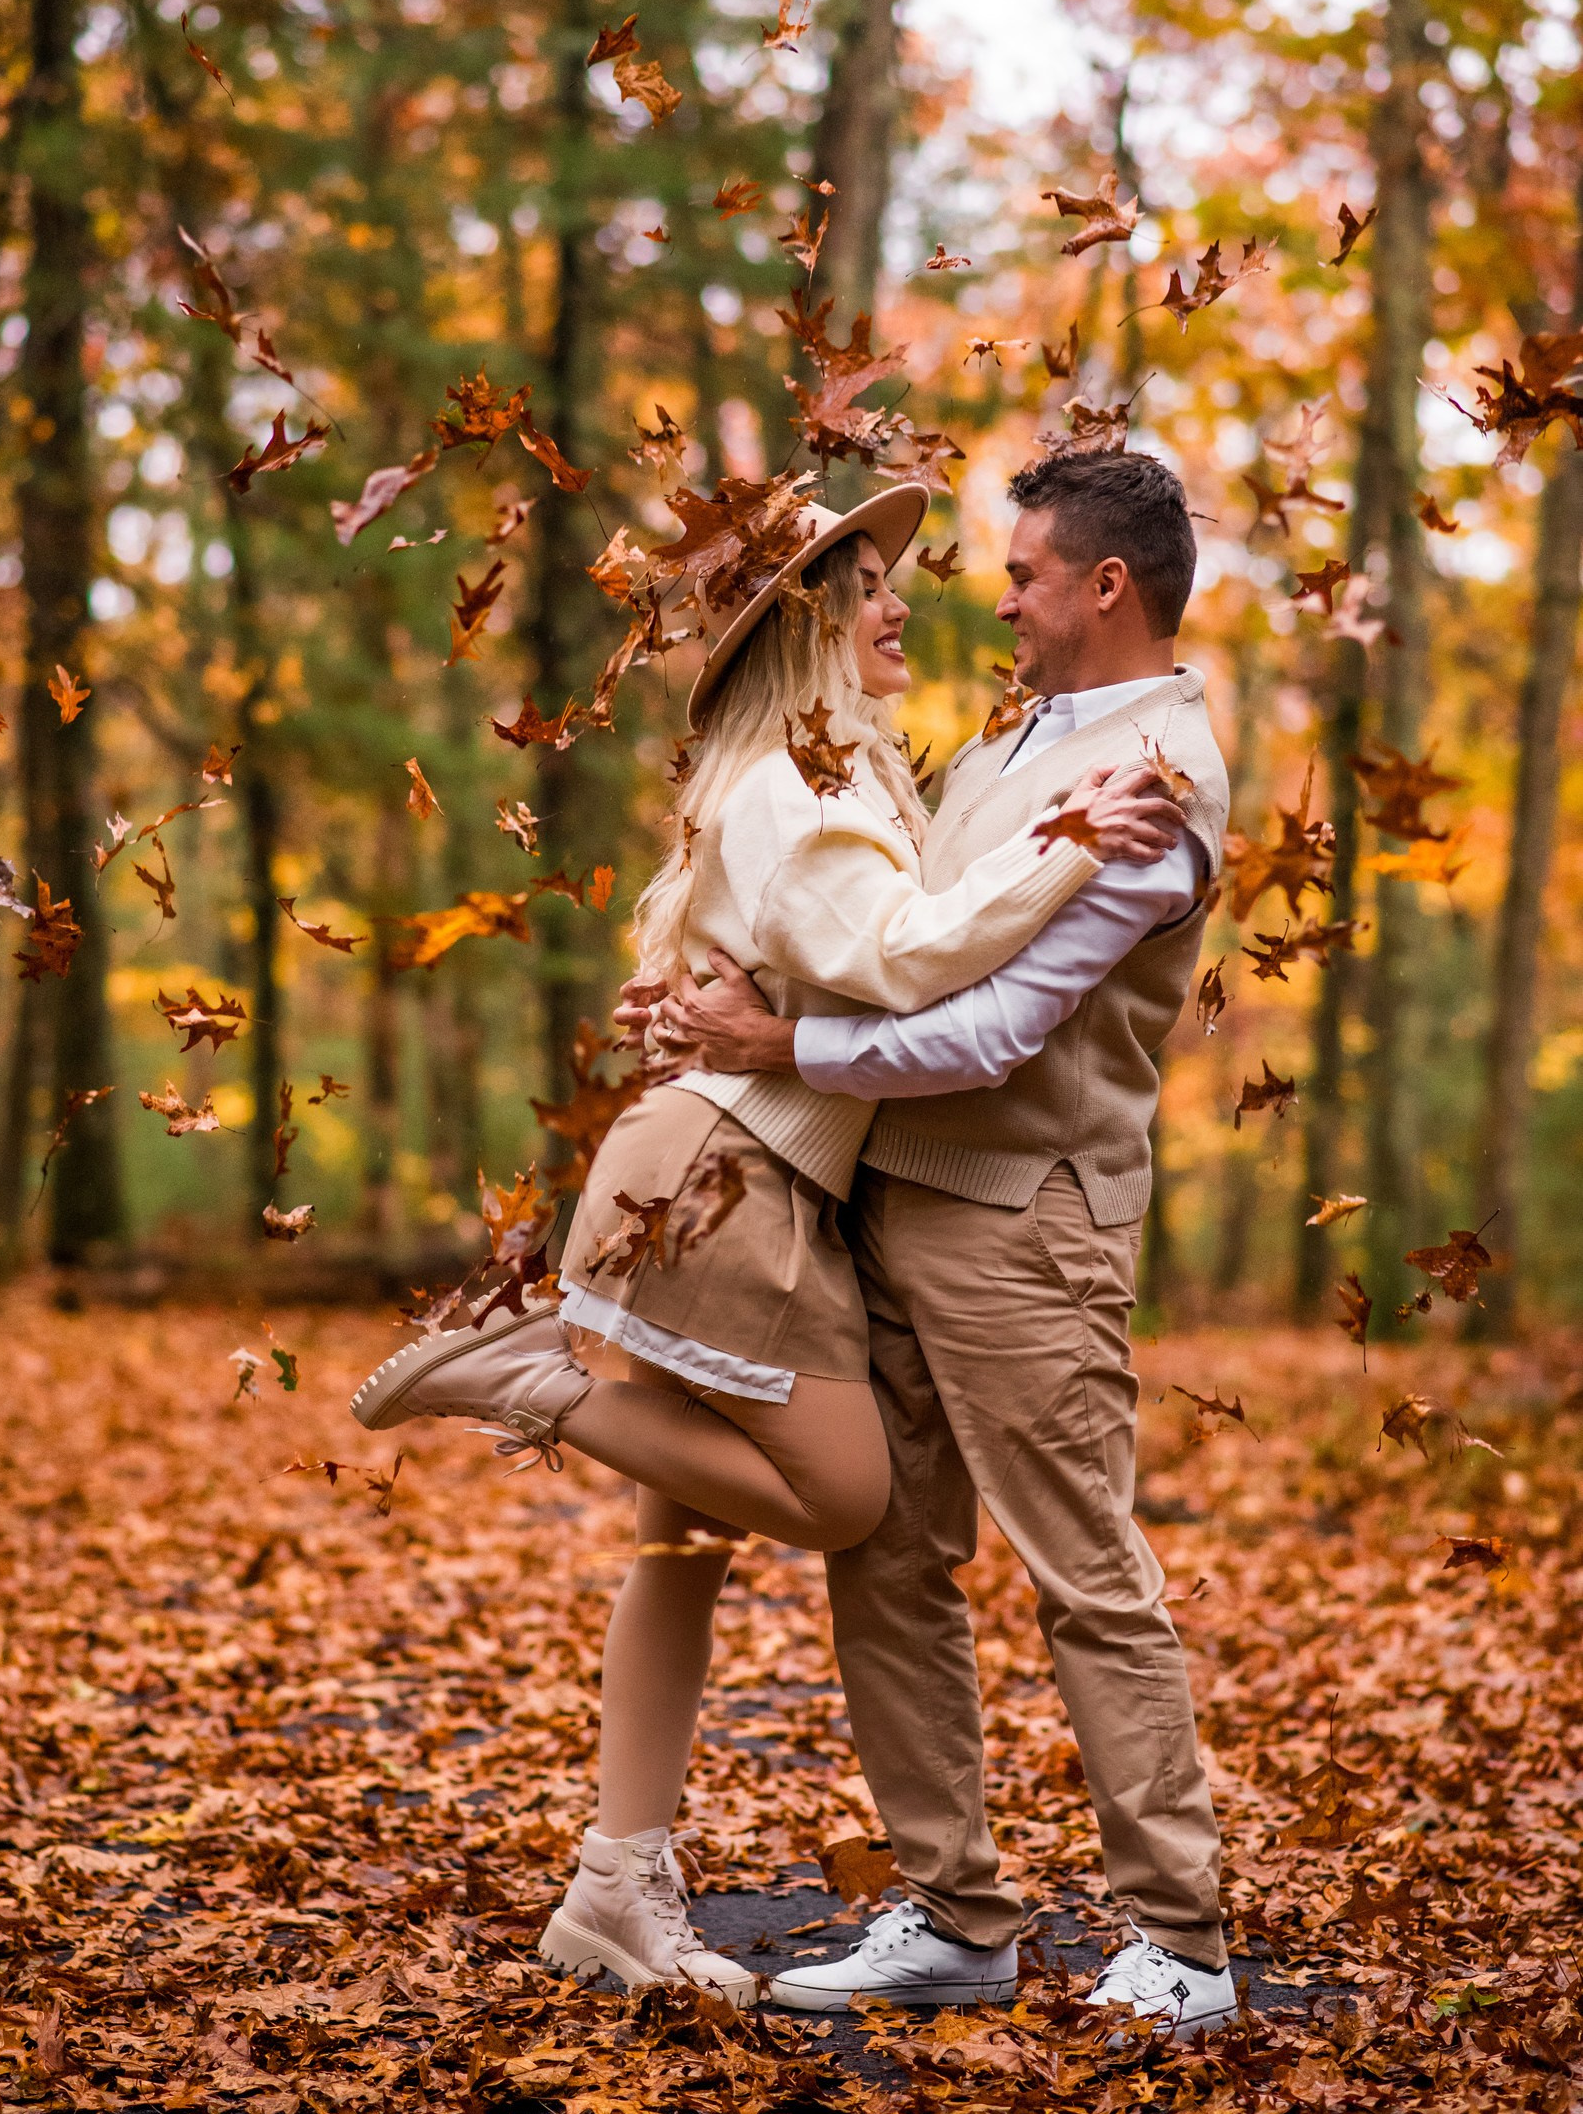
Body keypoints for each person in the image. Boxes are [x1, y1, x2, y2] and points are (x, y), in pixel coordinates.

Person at [348, 479, 1183, 2009]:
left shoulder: (830, 775)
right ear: (798, 625)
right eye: (862, 583)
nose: (905, 604)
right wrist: (1071, 842)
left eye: (896, 577)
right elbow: (912, 958)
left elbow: (872, 949)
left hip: (734, 1172)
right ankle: (539, 1387)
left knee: (686, 1532)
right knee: (852, 1504)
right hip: (735, 1178)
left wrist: (750, 1020)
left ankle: (618, 1878)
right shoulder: (805, 792)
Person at [644, 448, 1239, 2040]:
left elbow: (996, 1027)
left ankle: (1178, 1935)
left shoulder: (1159, 780)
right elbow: (880, 929)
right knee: (889, 1554)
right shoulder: (1025, 733)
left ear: (1107, 586)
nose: (1001, 594)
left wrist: (784, 1051)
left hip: (1027, 1219)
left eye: (1027, 571)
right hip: (892, 1194)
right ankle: (955, 1912)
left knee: (1081, 1570)